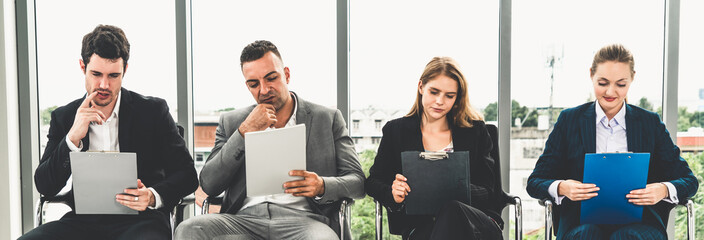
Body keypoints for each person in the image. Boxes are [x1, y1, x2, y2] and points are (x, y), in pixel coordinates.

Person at [20, 24, 199, 240]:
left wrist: (152, 196)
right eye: (96, 74)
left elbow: (187, 175)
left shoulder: (152, 112)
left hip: (141, 221)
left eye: (114, 75)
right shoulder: (65, 117)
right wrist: (72, 138)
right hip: (83, 222)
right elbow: (45, 185)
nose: (104, 84)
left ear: (125, 70)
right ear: (82, 67)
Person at [174, 40, 365, 240]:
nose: (264, 90)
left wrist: (322, 185)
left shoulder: (327, 118)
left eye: (271, 78)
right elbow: (209, 184)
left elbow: (357, 182)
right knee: (189, 229)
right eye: (254, 84)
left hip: (306, 220)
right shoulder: (232, 122)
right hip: (244, 220)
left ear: (287, 75)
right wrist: (243, 133)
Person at [526, 44, 698, 240]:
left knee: (628, 237)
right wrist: (563, 187)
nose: (610, 91)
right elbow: (535, 182)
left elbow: (689, 181)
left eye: (621, 84)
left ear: (632, 78)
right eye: (603, 82)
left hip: (641, 223)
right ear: (591, 75)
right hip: (580, 223)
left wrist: (663, 189)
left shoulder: (649, 123)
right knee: (587, 236)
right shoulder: (569, 121)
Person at [365, 57, 503, 240]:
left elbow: (489, 191)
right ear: (421, 87)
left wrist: (456, 189)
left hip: (475, 223)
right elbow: (373, 182)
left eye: (449, 96)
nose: (440, 101)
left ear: (457, 98)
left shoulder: (475, 131)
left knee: (452, 209)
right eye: (434, 92)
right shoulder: (396, 131)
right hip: (423, 226)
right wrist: (393, 192)